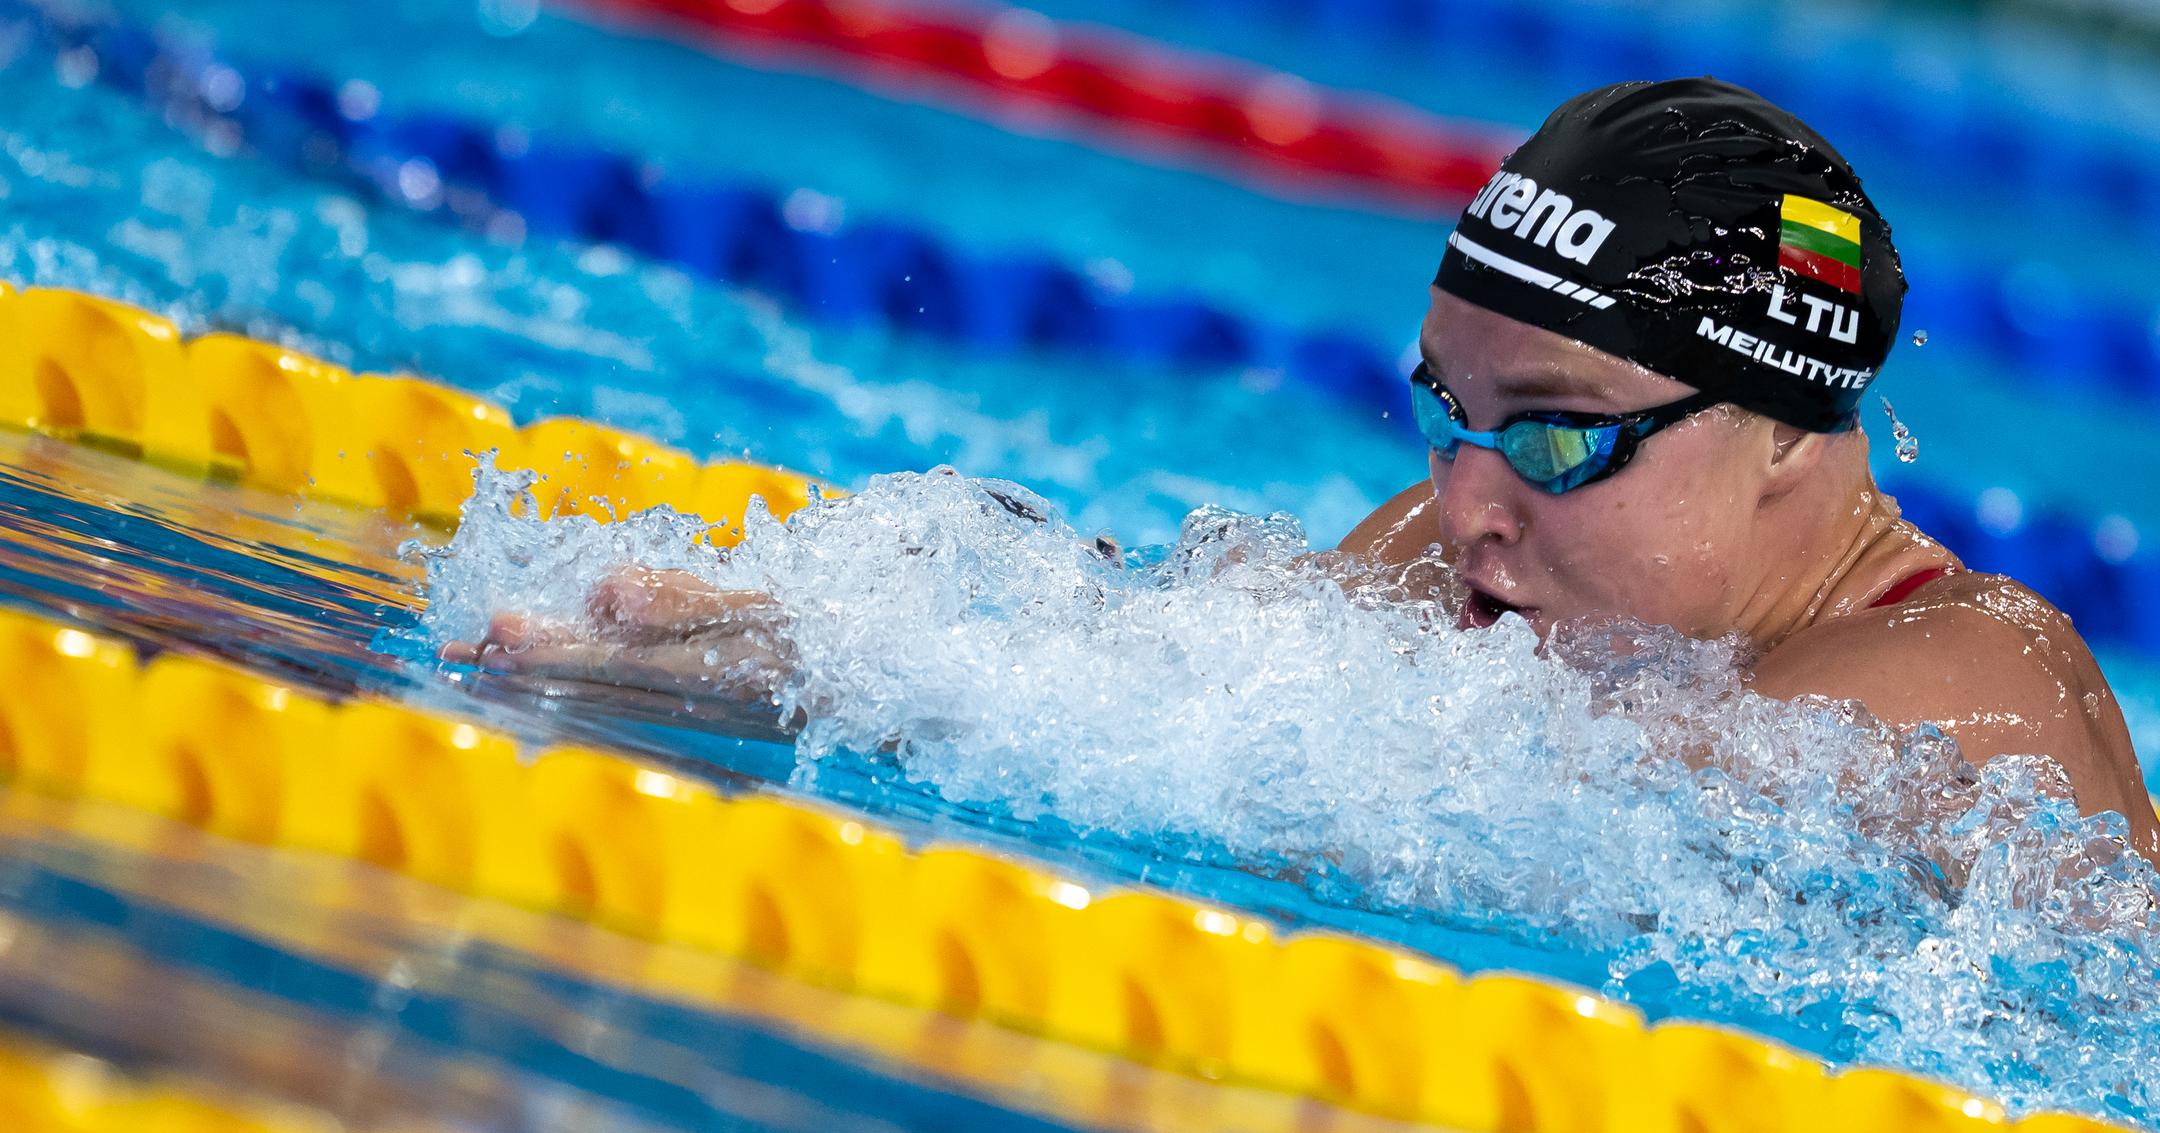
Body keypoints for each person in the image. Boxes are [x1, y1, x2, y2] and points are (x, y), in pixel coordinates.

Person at [444, 78, 2159, 862]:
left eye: (1559, 436)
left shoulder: (1968, 691)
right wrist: (827, 644)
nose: (1470, 504)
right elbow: (1189, 665)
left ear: (1786, 432)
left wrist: (914, 698)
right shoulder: (1475, 541)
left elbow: (1463, 797)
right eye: (1447, 411)